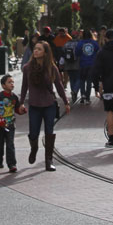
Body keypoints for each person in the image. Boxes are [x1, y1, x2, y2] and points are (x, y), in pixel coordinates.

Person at [19, 41, 71, 171]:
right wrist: (20, 103)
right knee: (33, 133)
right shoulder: (27, 68)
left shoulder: (52, 68)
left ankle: (49, 160)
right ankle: (34, 148)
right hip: (34, 105)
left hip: (49, 104)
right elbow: (24, 86)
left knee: (49, 131)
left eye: (39, 49)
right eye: (35, 49)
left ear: (45, 53)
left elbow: (59, 85)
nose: (35, 51)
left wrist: (66, 102)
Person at [0, 74, 21, 172]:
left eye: (12, 82)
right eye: (9, 82)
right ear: (3, 85)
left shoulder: (14, 97)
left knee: (10, 144)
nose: (12, 84)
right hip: (0, 126)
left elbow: (17, 109)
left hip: (10, 125)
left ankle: (12, 164)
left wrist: (22, 110)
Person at [74, 29, 100, 104]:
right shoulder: (94, 43)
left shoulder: (80, 43)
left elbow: (77, 53)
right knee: (89, 81)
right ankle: (88, 98)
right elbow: (98, 51)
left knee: (82, 80)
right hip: (92, 64)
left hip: (82, 64)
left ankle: (82, 95)